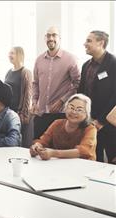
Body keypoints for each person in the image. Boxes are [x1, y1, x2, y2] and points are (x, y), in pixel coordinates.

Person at [32, 26, 80, 140]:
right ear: (45, 38)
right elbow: (35, 83)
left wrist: (62, 100)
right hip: (41, 114)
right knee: (37, 147)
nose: (51, 38)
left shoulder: (71, 59)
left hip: (61, 115)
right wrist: (34, 102)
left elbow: (77, 84)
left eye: (54, 35)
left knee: (58, 150)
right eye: (48, 36)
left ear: (60, 38)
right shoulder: (39, 60)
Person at [79, 30, 116, 163]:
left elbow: (114, 96)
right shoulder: (85, 66)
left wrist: (101, 121)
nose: (85, 44)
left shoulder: (113, 64)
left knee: (113, 161)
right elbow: (81, 94)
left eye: (89, 41)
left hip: (109, 124)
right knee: (93, 160)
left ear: (101, 43)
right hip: (90, 122)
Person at [30, 94, 97, 161]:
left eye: (79, 110)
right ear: (65, 108)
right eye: (71, 107)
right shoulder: (57, 123)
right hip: (59, 165)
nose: (73, 112)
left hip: (83, 166)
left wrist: (54, 153)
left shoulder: (90, 129)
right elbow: (43, 141)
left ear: (86, 114)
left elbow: (84, 151)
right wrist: (36, 147)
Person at [5, 46, 33, 148]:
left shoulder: (26, 72)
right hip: (9, 113)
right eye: (9, 53)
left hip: (19, 114)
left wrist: (23, 115)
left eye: (12, 53)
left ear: (19, 55)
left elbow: (28, 95)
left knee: (20, 144)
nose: (10, 55)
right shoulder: (9, 72)